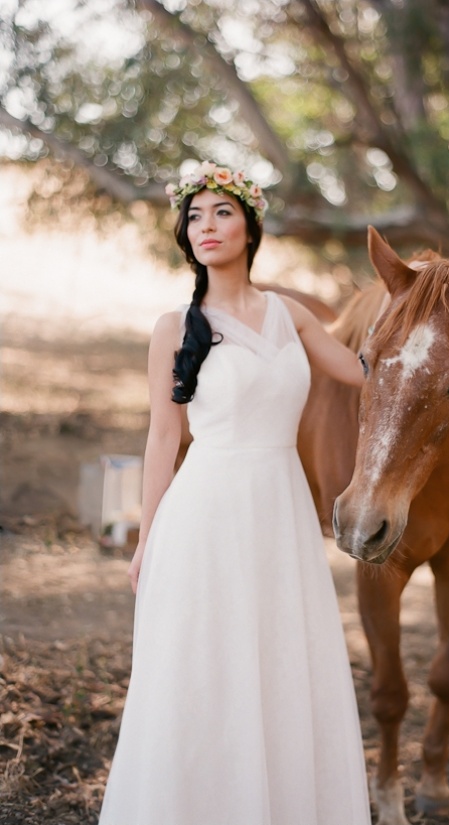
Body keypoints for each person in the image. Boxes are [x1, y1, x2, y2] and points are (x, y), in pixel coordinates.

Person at [98, 160, 372, 825]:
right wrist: (147, 538)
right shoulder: (175, 327)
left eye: (221, 212)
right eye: (194, 216)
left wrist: (417, 310)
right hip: (204, 516)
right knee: (205, 669)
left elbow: (365, 373)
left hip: (282, 514)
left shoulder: (292, 315)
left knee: (280, 663)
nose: (206, 226)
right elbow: (164, 441)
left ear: (251, 226)